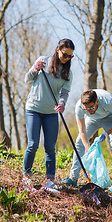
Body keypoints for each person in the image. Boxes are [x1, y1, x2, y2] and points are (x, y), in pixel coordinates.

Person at [23, 38, 74, 183]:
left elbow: (64, 93)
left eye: (70, 56)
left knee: (50, 147)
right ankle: (26, 176)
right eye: (65, 55)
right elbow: (27, 79)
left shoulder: (68, 73)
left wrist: (62, 104)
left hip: (51, 112)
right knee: (33, 144)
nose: (67, 59)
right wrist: (34, 69)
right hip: (33, 109)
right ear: (58, 50)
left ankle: (50, 179)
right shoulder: (43, 61)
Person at [62, 89, 112, 186]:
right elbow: (82, 130)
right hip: (92, 120)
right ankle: (73, 177)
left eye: (91, 108)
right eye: (86, 109)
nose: (89, 111)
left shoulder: (108, 101)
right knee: (79, 143)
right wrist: (88, 148)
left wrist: (107, 133)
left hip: (110, 118)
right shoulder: (79, 107)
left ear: (97, 102)